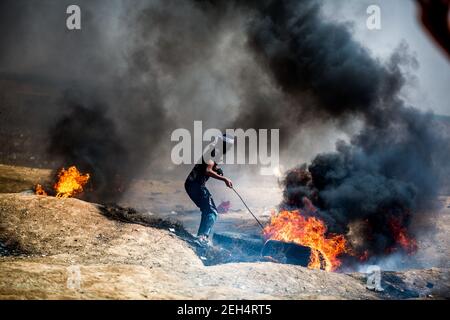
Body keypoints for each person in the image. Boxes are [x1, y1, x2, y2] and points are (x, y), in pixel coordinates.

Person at [185, 134, 234, 246]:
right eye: (229, 145)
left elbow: (209, 165)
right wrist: (224, 179)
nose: (230, 148)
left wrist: (217, 169)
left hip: (193, 184)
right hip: (195, 185)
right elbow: (207, 170)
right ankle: (202, 238)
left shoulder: (215, 150)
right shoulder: (214, 152)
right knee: (212, 212)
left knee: (207, 210)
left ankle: (200, 236)